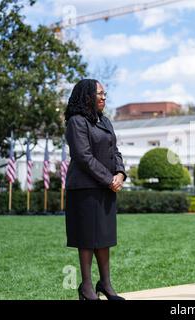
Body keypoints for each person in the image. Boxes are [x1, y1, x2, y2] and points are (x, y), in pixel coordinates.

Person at [65, 79, 126, 300]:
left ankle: (106, 284)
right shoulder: (76, 122)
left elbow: (115, 151)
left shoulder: (105, 121)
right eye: (99, 93)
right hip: (84, 189)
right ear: (87, 96)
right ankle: (87, 287)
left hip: (106, 188)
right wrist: (109, 179)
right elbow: (83, 157)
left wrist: (120, 174)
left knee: (104, 237)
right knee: (87, 239)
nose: (103, 97)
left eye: (104, 94)